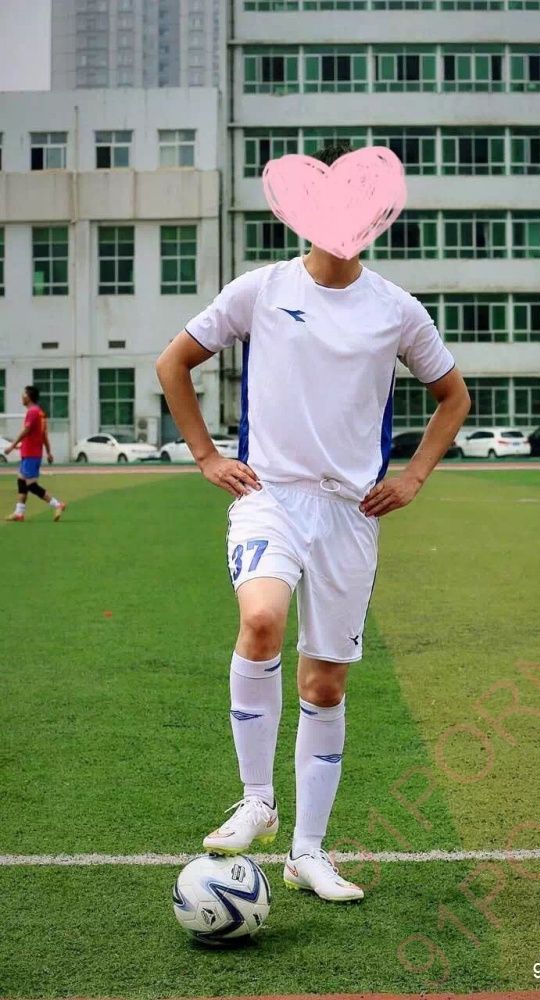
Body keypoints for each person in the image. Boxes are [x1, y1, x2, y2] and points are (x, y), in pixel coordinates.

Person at [156, 144, 471, 903]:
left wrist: (414, 477)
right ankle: (257, 801)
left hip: (349, 515)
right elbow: (174, 363)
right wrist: (206, 455)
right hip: (270, 496)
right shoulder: (263, 289)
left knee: (324, 684)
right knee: (261, 621)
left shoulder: (396, 309)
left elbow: (454, 397)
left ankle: (307, 853)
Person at [4, 386, 66, 522]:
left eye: (24, 394)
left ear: (28, 397)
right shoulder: (39, 412)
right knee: (21, 480)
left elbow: (26, 431)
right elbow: (42, 435)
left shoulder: (32, 412)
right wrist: (48, 452)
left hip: (31, 454)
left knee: (31, 485)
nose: (22, 397)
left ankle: (57, 504)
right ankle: (19, 513)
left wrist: (12, 445)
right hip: (30, 452)